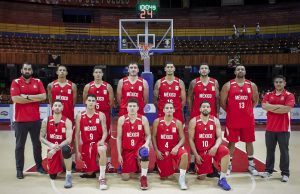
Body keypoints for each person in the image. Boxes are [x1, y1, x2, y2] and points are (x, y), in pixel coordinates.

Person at [220, 65, 259, 175]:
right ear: (235, 72)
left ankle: (251, 165)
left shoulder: (252, 85)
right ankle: (228, 165)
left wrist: (247, 110)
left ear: (245, 72)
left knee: (249, 142)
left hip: (248, 120)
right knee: (231, 143)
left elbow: (255, 101)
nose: (240, 70)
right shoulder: (228, 85)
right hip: (233, 120)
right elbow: (222, 102)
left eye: (242, 69)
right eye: (238, 69)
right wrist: (231, 111)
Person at [10, 62, 47, 179]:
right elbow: (16, 99)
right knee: (19, 146)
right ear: (21, 70)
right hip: (20, 120)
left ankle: (39, 166)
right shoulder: (15, 82)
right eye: (25, 69)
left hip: (35, 120)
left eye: (29, 69)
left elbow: (43, 96)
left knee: (37, 145)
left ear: (31, 71)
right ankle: (19, 169)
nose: (27, 71)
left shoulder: (38, 82)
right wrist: (34, 98)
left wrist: (26, 96)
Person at [188, 101, 231, 191]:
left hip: (213, 149)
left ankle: (222, 179)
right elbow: (191, 140)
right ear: (200, 109)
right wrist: (196, 155)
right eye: (203, 107)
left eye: (207, 107)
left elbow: (219, 137)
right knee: (201, 177)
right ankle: (206, 167)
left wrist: (215, 147)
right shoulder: (194, 121)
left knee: (225, 150)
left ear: (210, 109)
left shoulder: (215, 120)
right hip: (201, 152)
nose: (205, 108)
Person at [187, 63, 219, 175]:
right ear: (199, 71)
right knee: (194, 138)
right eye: (202, 68)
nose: (204, 70)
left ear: (208, 70)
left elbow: (217, 98)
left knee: (211, 138)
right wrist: (191, 112)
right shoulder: (194, 82)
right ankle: (191, 163)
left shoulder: (214, 82)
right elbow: (189, 98)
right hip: (196, 113)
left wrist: (217, 113)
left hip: (211, 113)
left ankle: (210, 164)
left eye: (206, 68)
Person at [261, 75, 295, 182]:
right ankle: (268, 170)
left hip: (284, 129)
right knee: (270, 151)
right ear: (274, 83)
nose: (278, 84)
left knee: (284, 151)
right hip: (270, 128)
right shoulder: (268, 94)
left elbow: (287, 109)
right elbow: (264, 106)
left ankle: (285, 173)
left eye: (281, 82)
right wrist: (280, 107)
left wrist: (271, 107)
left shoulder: (289, 95)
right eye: (276, 82)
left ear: (284, 83)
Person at [83, 66, 115, 172]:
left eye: (99, 72)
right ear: (93, 74)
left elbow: (111, 103)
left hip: (104, 116)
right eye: (96, 72)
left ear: (102, 74)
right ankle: (93, 161)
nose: (97, 74)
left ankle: (109, 162)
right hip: (91, 116)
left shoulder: (108, 86)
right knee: (91, 140)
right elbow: (85, 101)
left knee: (106, 139)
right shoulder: (88, 86)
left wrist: (103, 112)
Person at [152, 102, 188, 190]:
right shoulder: (157, 121)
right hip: (162, 152)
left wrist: (177, 147)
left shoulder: (178, 122)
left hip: (174, 150)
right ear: (163, 110)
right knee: (165, 177)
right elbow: (153, 136)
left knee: (185, 154)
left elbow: (183, 138)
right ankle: (166, 167)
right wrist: (156, 150)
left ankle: (182, 179)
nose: (169, 110)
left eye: (171, 108)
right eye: (167, 108)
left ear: (174, 110)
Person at [116, 98, 151, 190]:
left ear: (138, 108)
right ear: (126, 107)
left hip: (139, 148)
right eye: (130, 106)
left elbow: (148, 135)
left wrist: (146, 144)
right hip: (127, 150)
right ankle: (132, 165)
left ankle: (143, 178)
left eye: (134, 106)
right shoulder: (122, 119)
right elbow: (119, 138)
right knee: (125, 178)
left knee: (145, 152)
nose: (132, 108)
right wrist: (119, 155)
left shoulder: (143, 119)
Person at [75, 94, 108, 190]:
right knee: (90, 173)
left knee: (102, 149)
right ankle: (96, 165)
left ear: (96, 102)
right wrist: (77, 151)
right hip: (86, 145)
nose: (91, 102)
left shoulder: (101, 115)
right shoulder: (80, 115)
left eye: (93, 100)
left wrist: (102, 140)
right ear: (85, 102)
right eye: (89, 100)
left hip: (97, 143)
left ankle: (102, 177)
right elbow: (77, 135)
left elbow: (105, 132)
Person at [47, 65, 77, 171]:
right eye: (60, 70)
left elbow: (73, 102)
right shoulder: (51, 85)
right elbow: (50, 101)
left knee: (70, 140)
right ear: (57, 72)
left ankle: (71, 162)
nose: (62, 72)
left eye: (64, 70)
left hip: (68, 117)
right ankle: (55, 162)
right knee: (54, 138)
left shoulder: (72, 85)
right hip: (56, 119)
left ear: (67, 73)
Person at [40, 100, 73, 188]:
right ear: (52, 107)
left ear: (62, 108)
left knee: (66, 149)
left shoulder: (67, 121)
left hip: (62, 148)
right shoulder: (46, 120)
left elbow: (69, 139)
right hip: (52, 148)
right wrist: (51, 145)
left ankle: (68, 175)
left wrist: (55, 148)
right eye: (55, 105)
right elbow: (41, 137)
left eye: (59, 105)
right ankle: (66, 165)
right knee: (53, 176)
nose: (57, 107)